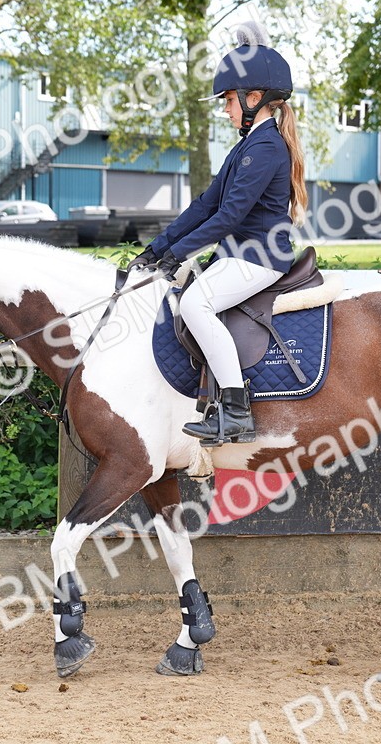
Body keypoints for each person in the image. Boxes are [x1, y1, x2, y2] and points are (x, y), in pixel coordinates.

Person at [129, 23, 308, 446]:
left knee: (196, 304)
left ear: (253, 99)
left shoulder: (265, 148)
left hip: (259, 257)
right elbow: (205, 205)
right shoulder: (246, 146)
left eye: (228, 100)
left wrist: (179, 254)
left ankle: (235, 409)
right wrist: (157, 249)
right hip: (238, 254)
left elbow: (229, 216)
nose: (225, 109)